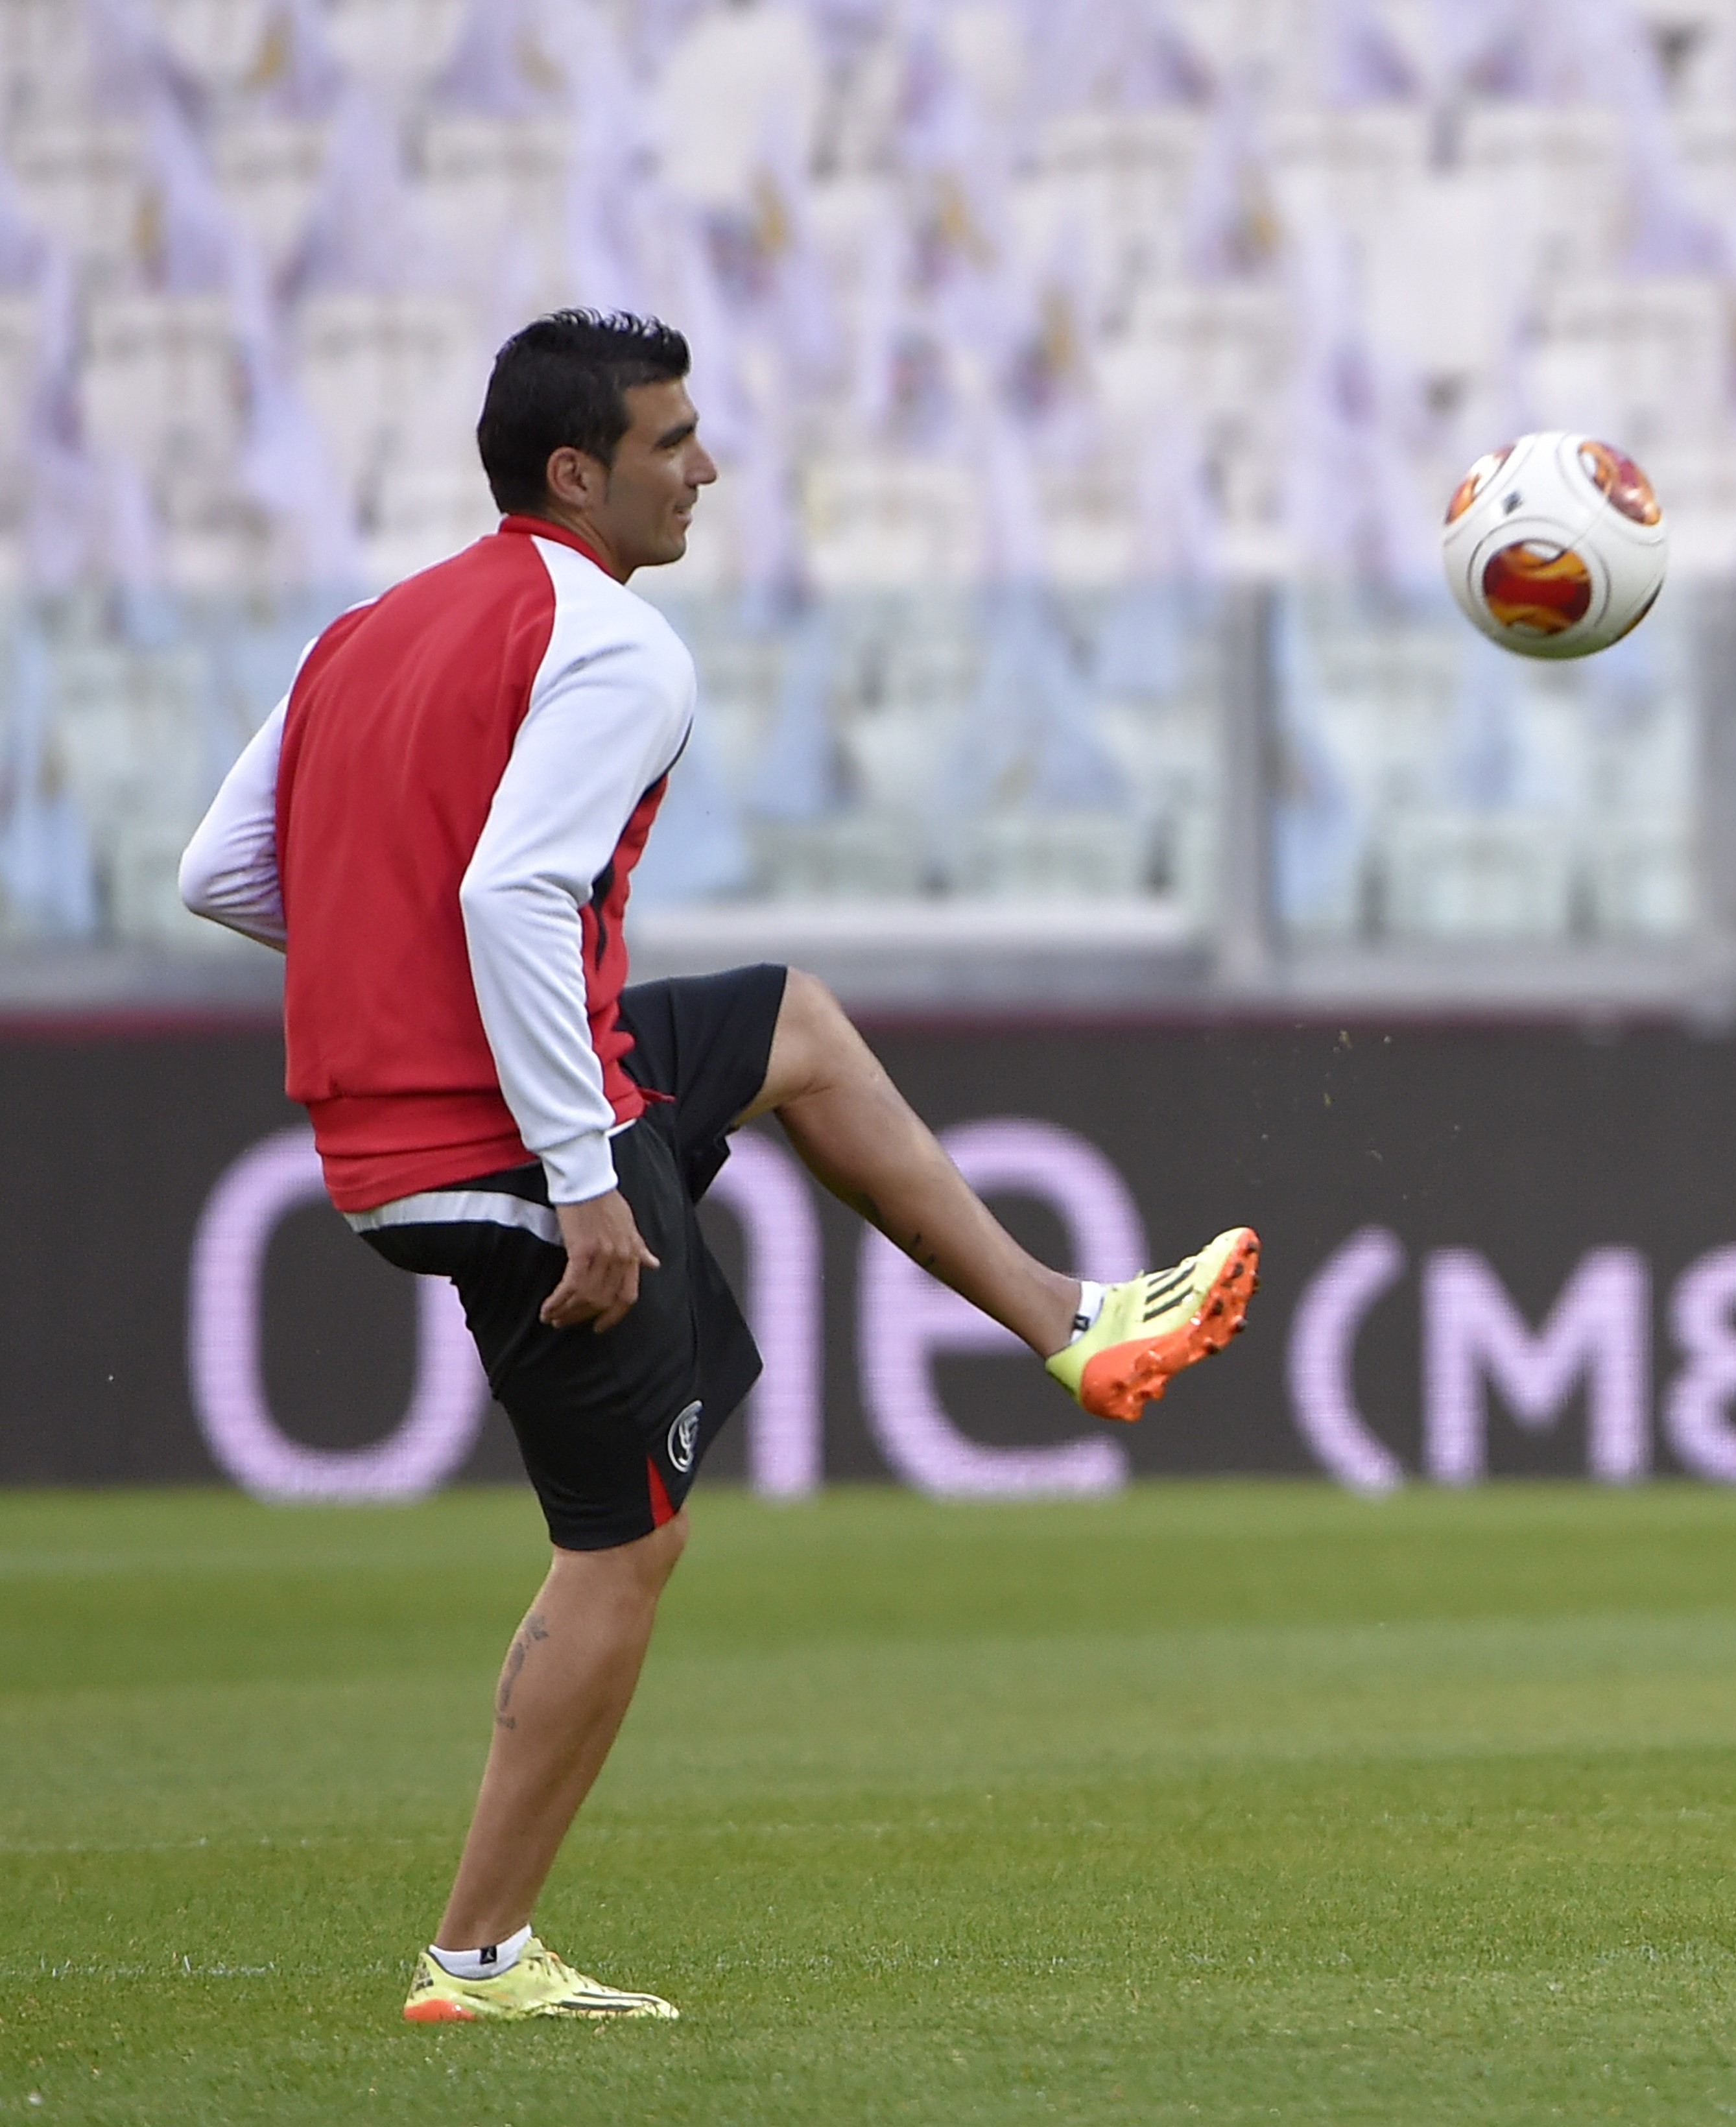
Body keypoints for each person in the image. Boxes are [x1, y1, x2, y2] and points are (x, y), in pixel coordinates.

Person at [176, 310, 1261, 2022]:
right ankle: (477, 1958)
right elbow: (508, 896)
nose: (708, 469)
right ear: (575, 472)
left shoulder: (366, 631)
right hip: (519, 1146)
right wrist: (584, 1178)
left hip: (424, 1120)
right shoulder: (612, 644)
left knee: (786, 1028)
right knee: (624, 1546)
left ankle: (1075, 1322)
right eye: (675, 442)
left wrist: (408, 1004)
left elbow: (225, 875)